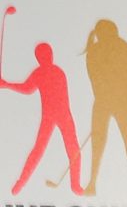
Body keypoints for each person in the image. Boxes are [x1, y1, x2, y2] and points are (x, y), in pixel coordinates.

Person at [0, 42, 84, 196]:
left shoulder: (47, 73)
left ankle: (74, 185)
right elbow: (27, 88)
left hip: (58, 115)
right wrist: (6, 84)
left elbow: (27, 89)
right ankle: (74, 185)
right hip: (58, 115)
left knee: (62, 149)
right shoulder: (50, 72)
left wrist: (7, 84)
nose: (47, 57)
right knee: (59, 149)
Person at [83, 19, 127, 197]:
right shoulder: (94, 51)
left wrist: (107, 95)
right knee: (99, 141)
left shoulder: (123, 47)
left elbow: (122, 74)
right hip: (104, 100)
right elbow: (94, 78)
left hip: (121, 100)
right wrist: (103, 96)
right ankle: (92, 183)